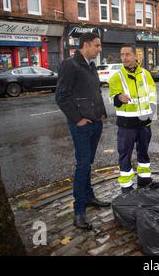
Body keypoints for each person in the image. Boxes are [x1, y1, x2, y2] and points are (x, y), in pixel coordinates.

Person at [55, 33, 110, 230]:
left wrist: (102, 113)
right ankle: (79, 211)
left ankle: (88, 197)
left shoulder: (91, 65)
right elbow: (61, 96)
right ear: (86, 45)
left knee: (88, 163)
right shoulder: (70, 65)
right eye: (97, 45)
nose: (99, 49)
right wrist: (78, 119)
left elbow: (95, 92)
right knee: (83, 165)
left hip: (96, 122)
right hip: (82, 125)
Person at [109, 44, 159, 193]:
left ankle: (144, 180)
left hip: (145, 123)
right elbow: (112, 99)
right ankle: (126, 187)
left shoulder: (145, 74)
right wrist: (119, 98)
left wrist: (151, 113)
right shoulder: (116, 77)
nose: (124, 58)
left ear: (135, 56)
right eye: (122, 55)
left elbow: (152, 94)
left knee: (143, 152)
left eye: (127, 54)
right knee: (125, 155)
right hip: (126, 125)